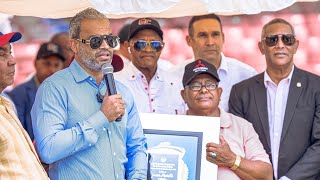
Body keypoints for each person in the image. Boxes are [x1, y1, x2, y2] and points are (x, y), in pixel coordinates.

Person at [31, 8, 147, 179]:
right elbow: (48, 149)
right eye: (95, 41)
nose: (105, 46)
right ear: (75, 45)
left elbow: (137, 147)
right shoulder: (54, 88)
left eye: (110, 39)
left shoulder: (122, 91)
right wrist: (101, 117)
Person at [229, 18, 320, 180]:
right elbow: (237, 145)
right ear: (261, 47)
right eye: (272, 40)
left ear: (296, 45)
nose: (280, 45)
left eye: (287, 39)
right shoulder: (241, 92)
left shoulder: (316, 87)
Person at [181, 59, 272, 179]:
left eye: (210, 85)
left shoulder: (242, 126)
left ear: (219, 93)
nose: (203, 90)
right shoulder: (173, 127)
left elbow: (266, 175)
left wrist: (231, 160)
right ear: (184, 95)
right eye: (196, 85)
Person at [173, 13, 257, 112]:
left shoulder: (246, 75)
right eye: (202, 35)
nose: (210, 42)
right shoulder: (173, 77)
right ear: (189, 40)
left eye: (215, 34)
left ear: (223, 37)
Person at [0, 31, 48, 179]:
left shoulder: (5, 104)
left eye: (10, 52)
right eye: (2, 54)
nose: (12, 60)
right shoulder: (17, 96)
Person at [115, 18, 185, 114]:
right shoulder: (116, 83)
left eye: (155, 44)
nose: (148, 50)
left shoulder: (177, 83)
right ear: (128, 46)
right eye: (140, 44)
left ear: (162, 46)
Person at [8, 42, 65, 140]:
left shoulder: (65, 93)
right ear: (35, 63)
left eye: (56, 65)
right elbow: (19, 136)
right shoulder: (18, 95)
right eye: (47, 63)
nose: (52, 70)